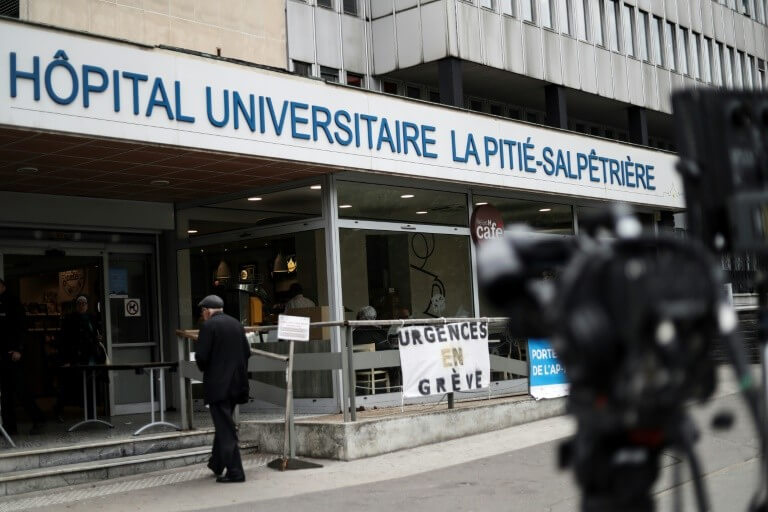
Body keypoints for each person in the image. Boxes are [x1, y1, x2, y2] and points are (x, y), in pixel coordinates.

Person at [195, 295, 251, 483]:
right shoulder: (236, 324)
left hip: (218, 386)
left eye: (202, 312)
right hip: (237, 384)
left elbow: (201, 357)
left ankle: (236, 472)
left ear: (207, 311)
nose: (202, 316)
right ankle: (217, 464)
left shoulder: (208, 327)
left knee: (226, 429)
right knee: (224, 425)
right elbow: (247, 352)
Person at [0, 278, 44, 435]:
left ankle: (38, 418)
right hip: (2, 354)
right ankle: (9, 427)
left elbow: (21, 328)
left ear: (2, 285)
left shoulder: (12, 302)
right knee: (5, 393)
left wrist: (19, 349)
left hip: (13, 354)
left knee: (20, 390)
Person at [57, 295, 106, 420]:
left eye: (84, 303)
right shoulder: (69, 319)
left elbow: (95, 334)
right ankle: (59, 411)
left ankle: (90, 413)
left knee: (90, 385)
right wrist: (66, 359)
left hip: (90, 356)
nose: (82, 305)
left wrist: (97, 338)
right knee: (69, 385)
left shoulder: (92, 318)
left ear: (87, 305)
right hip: (76, 357)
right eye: (79, 303)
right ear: (76, 305)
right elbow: (64, 340)